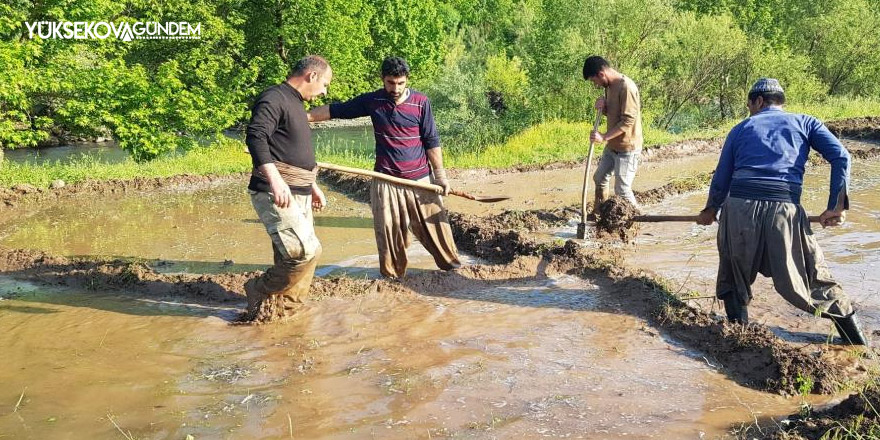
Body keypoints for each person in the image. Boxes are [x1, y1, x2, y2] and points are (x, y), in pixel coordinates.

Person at [696, 78, 867, 345]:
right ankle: (857, 344)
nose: (750, 111)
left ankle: (740, 341)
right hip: (784, 210)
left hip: (739, 208)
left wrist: (710, 209)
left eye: (749, 105)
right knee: (812, 276)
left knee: (733, 274)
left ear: (759, 101)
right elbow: (842, 157)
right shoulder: (807, 123)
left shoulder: (740, 129)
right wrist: (836, 206)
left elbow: (722, 176)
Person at [309, 56, 460, 278]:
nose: (395, 88)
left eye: (400, 83)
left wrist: (440, 176)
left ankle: (455, 274)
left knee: (437, 229)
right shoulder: (373, 101)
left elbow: (432, 140)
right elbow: (335, 110)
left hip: (419, 181)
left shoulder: (421, 102)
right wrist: (302, 118)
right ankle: (392, 280)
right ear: (383, 79)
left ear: (407, 79)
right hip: (386, 182)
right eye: (390, 83)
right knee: (389, 235)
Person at [243, 55, 332, 319]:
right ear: (311, 76)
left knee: (293, 257)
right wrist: (275, 179)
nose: (324, 91)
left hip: (300, 190)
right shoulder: (274, 97)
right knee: (303, 252)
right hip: (276, 191)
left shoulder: (296, 104)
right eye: (325, 84)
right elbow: (256, 136)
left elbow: (293, 151)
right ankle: (258, 288)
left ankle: (285, 310)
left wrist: (313, 185)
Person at [582, 55, 643, 214]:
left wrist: (603, 137)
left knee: (622, 189)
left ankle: (636, 219)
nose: (596, 85)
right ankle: (600, 214)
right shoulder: (608, 86)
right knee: (600, 178)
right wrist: (604, 108)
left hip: (627, 148)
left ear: (601, 74)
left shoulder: (626, 87)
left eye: (595, 81)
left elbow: (628, 121)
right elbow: (615, 114)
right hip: (612, 146)